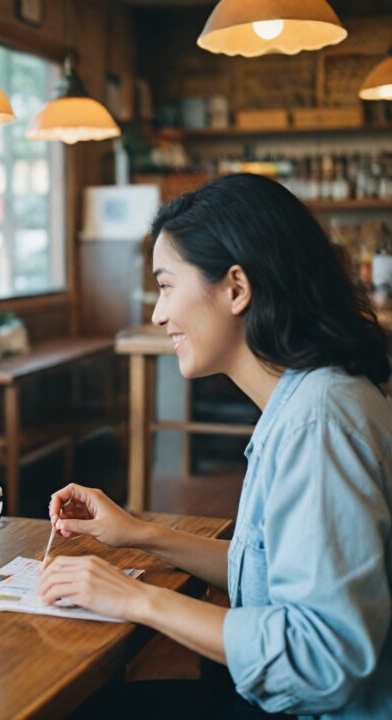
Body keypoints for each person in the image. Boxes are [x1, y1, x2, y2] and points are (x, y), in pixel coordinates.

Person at [39, 173, 391, 719]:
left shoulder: (317, 422)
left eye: (167, 285)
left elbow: (322, 660)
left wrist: (137, 598)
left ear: (235, 288)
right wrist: (139, 534)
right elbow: (270, 571)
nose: (158, 314)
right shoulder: (307, 400)